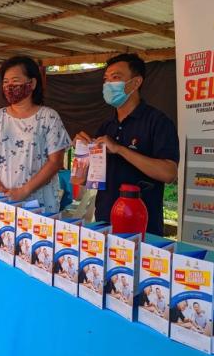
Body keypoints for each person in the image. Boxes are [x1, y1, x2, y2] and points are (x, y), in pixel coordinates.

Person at [74, 54, 179, 234]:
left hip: (141, 226)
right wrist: (81, 154)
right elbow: (80, 180)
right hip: (105, 223)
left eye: (115, 78)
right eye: (106, 80)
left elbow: (169, 173)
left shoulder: (157, 122)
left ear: (136, 82)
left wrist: (119, 149)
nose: (108, 84)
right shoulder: (106, 126)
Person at [0, 56, 70, 213]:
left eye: (15, 81)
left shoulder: (49, 117)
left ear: (32, 83)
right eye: (5, 82)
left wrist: (24, 191)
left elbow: (55, 162)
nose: (9, 86)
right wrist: (1, 192)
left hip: (38, 203)